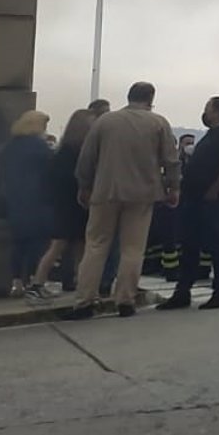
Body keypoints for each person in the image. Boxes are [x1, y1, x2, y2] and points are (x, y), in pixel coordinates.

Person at [65, 82, 180, 320]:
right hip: (142, 193)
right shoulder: (158, 123)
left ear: (128, 97)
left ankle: (84, 300)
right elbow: (171, 160)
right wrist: (173, 188)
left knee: (96, 245)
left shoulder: (104, 122)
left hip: (105, 190)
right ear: (150, 99)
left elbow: (86, 159)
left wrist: (84, 186)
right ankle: (125, 300)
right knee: (133, 248)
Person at [159, 96, 219, 311]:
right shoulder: (211, 135)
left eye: (208, 109)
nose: (205, 113)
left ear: (218, 112)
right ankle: (182, 291)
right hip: (194, 198)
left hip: (214, 199)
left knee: (216, 244)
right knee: (189, 244)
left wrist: (215, 190)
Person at [30, 108, 96, 300]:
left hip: (68, 205)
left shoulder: (63, 152)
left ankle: (78, 282)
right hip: (72, 206)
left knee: (76, 248)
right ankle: (38, 283)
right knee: (61, 246)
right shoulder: (74, 153)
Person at [0, 110, 52, 299]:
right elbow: (49, 171)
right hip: (37, 200)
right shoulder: (39, 146)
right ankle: (33, 282)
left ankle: (16, 282)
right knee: (38, 243)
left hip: (15, 199)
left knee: (18, 242)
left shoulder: (10, 147)